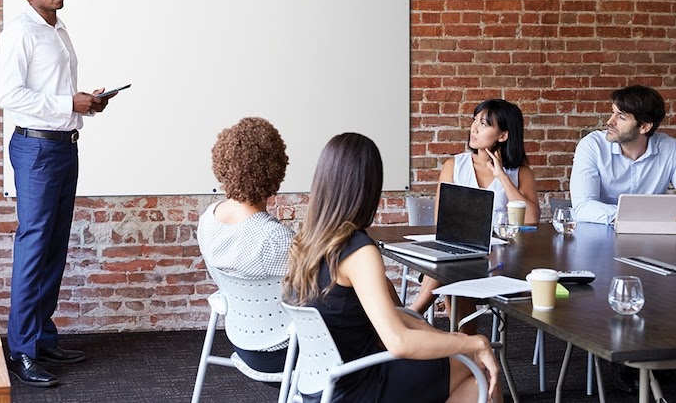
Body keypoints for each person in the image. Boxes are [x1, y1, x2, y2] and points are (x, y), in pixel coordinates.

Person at [283, 133, 501, 403]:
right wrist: (473, 342)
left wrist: (446, 337)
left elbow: (388, 316)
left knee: (472, 385)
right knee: (477, 361)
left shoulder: (307, 242)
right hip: (361, 387)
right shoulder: (359, 251)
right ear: (369, 187)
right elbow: (398, 341)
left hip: (322, 387)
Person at [0, 0, 114, 387]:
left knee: (54, 246)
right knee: (33, 247)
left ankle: (43, 338)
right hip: (36, 150)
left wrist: (88, 102)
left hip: (64, 147)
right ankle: (21, 351)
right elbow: (8, 95)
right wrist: (69, 104)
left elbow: (57, 94)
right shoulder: (20, 32)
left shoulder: (58, 31)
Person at [409, 99, 539, 321]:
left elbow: (531, 219)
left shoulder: (520, 172)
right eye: (474, 121)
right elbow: (442, 219)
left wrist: (502, 176)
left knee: (451, 271)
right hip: (460, 253)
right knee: (453, 269)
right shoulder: (454, 166)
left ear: (503, 136)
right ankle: (427, 323)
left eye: (484, 124)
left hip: (500, 260)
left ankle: (411, 317)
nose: (474, 128)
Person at [196, 117, 294, 373]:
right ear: (276, 169)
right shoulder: (275, 238)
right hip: (285, 350)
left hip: (241, 342)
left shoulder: (208, 220)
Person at [570, 85, 676, 227]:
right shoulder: (592, 146)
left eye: (621, 117)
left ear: (644, 127)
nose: (610, 122)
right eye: (613, 113)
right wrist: (651, 215)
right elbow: (583, 207)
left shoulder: (671, 149)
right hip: (597, 235)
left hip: (649, 242)